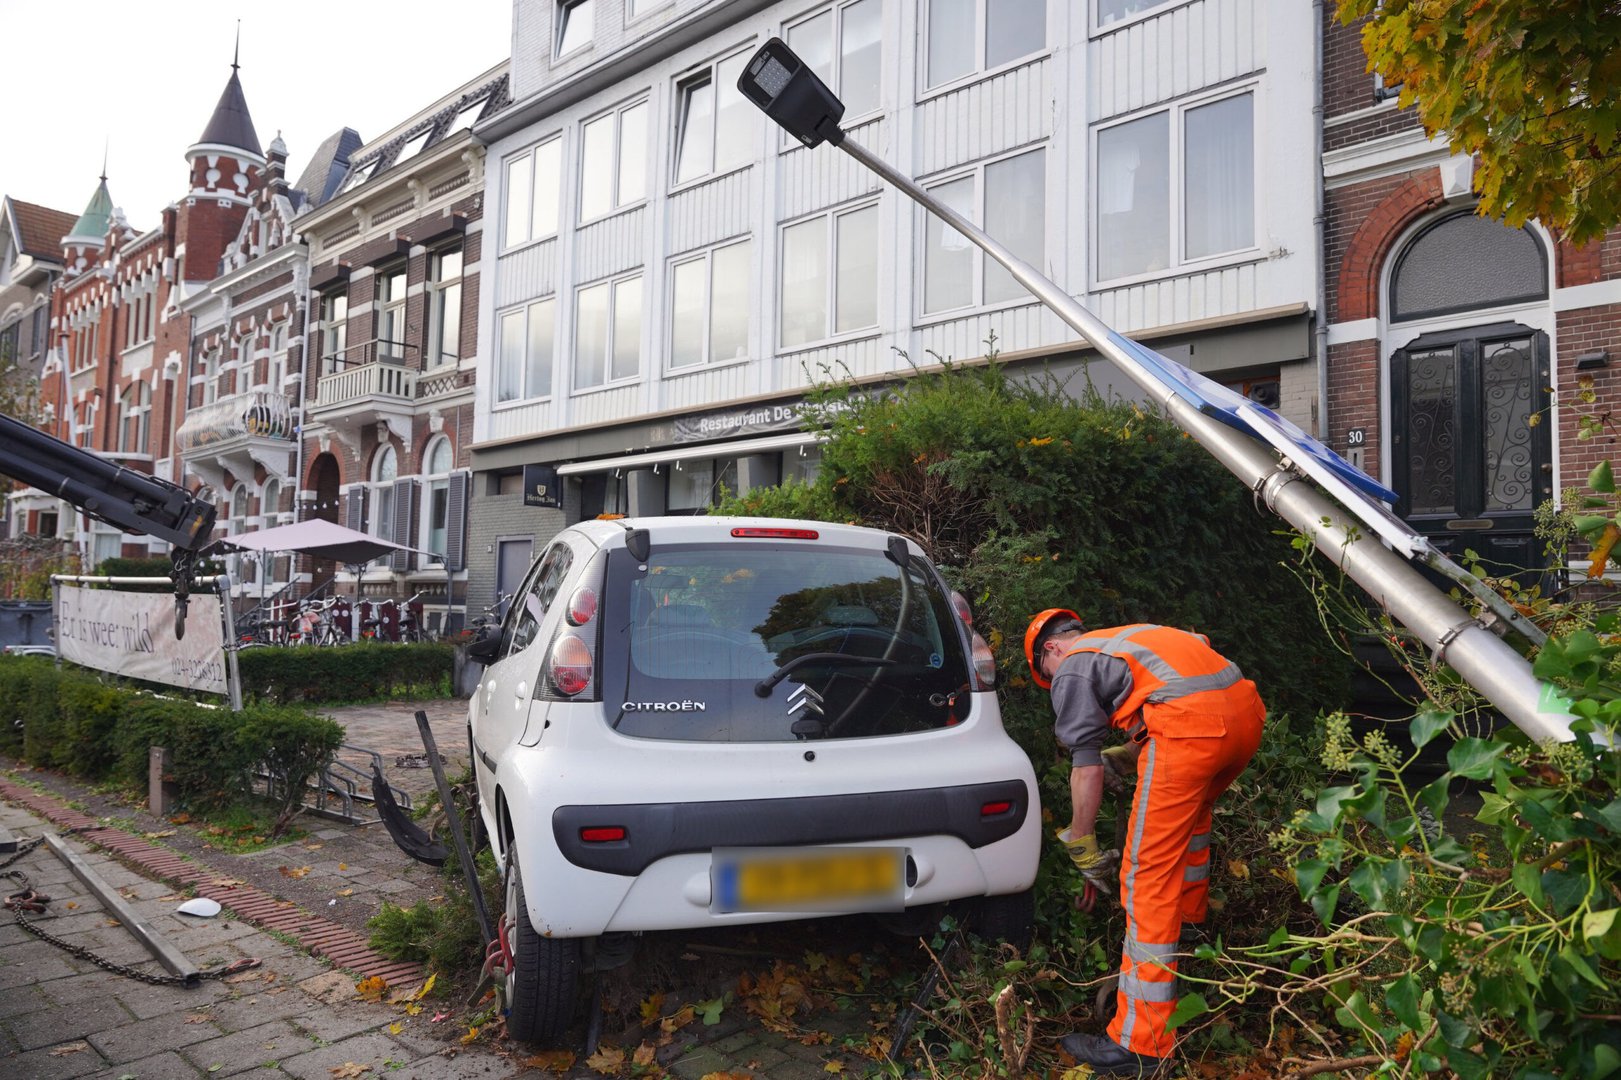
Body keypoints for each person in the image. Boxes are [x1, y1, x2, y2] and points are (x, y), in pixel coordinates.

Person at [1023, 609, 1266, 1077]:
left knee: (1145, 876)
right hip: (1244, 719)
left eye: (1044, 675)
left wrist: (1081, 841)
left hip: (1192, 732)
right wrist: (1134, 752)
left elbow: (1086, 766)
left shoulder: (1072, 665)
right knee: (1193, 824)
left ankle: (1141, 1045)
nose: (1052, 683)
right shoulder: (1132, 637)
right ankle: (1190, 933)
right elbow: (1190, 673)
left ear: (1050, 650)